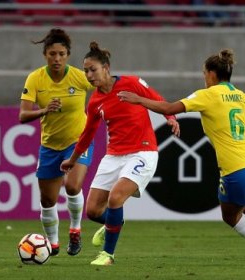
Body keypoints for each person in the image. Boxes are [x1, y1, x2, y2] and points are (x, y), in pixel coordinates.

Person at [117, 48, 245, 266]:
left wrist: (138, 99)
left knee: (231, 217)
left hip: (236, 167)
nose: (204, 78)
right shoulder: (242, 97)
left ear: (211, 73)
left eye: (204, 73)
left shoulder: (207, 95)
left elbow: (169, 107)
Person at [60, 41, 180, 266]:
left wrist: (171, 118)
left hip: (143, 152)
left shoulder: (131, 83)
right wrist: (72, 160)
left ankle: (108, 255)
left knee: (115, 198)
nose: (88, 75)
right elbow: (86, 135)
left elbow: (157, 98)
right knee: (94, 211)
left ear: (106, 67)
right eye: (85, 70)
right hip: (114, 155)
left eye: (92, 69)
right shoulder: (95, 101)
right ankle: (114, 223)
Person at [19, 28, 94, 257]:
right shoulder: (35, 78)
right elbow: (23, 115)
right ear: (45, 55)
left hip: (78, 142)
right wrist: (43, 110)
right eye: (52, 54)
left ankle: (75, 230)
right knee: (48, 200)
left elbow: (105, 87)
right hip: (50, 146)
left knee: (72, 186)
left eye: (61, 54)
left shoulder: (79, 77)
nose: (57, 58)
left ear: (68, 55)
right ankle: (52, 243)